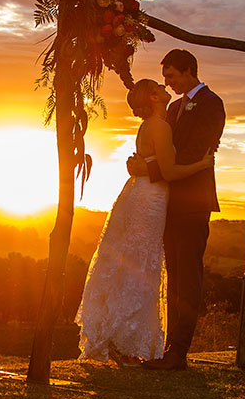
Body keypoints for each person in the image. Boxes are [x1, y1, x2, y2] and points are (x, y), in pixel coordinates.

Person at [76, 78, 214, 364]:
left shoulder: (151, 124)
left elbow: (156, 164)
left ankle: (119, 338)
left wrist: (143, 167)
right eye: (160, 87)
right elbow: (171, 171)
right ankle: (123, 342)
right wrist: (203, 165)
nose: (166, 88)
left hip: (141, 194)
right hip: (151, 199)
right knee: (140, 266)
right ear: (152, 97)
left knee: (133, 263)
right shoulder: (160, 126)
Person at [127, 48, 226, 370]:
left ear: (187, 70)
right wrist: (144, 161)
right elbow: (164, 148)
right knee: (174, 277)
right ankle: (168, 347)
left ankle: (179, 352)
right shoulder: (174, 107)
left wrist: (151, 169)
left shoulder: (211, 105)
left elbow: (195, 151)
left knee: (188, 277)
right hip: (168, 201)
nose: (167, 83)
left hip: (193, 201)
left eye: (171, 75)